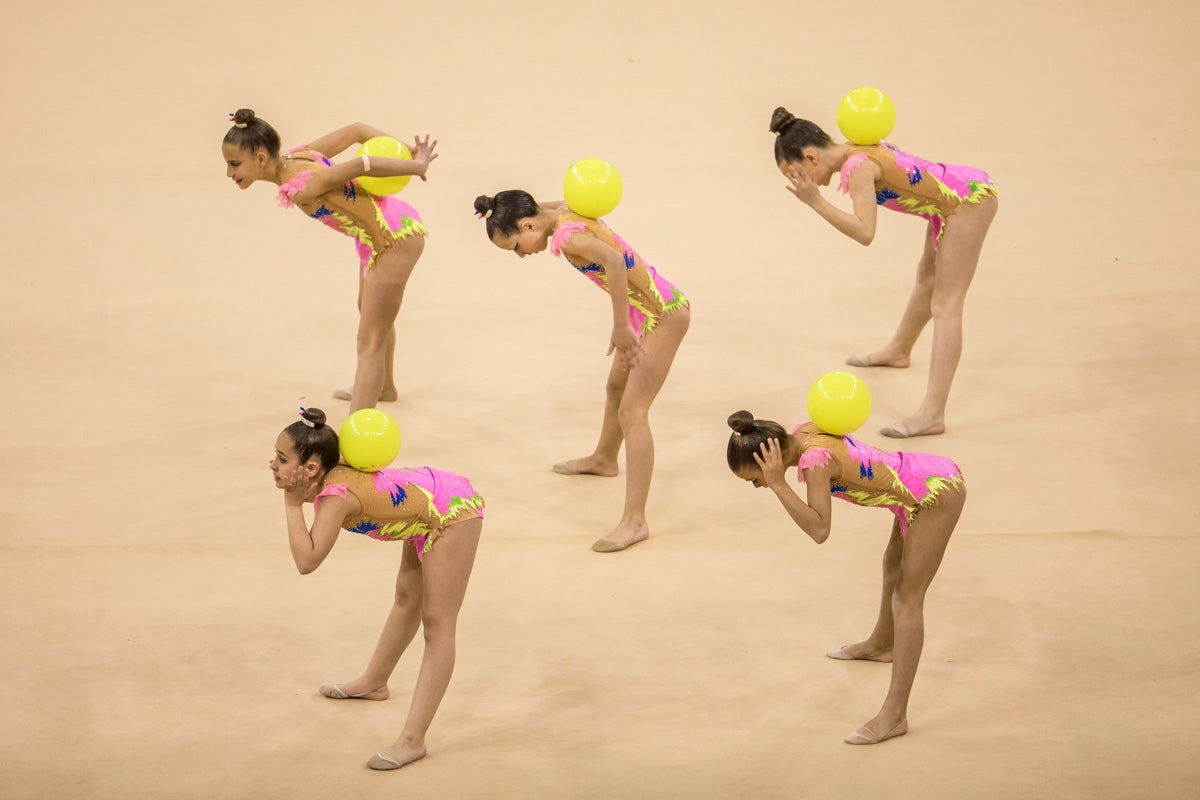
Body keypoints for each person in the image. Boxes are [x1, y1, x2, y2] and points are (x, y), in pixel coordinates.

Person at [725, 409, 966, 744]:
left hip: (935, 492)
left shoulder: (814, 462)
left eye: (755, 478)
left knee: (908, 598)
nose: (758, 485)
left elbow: (819, 529)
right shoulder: (803, 430)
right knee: (891, 565)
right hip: (916, 482)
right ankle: (883, 644)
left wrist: (778, 484)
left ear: (770, 457)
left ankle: (894, 715)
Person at [472, 191, 690, 552]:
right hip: (647, 310)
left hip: (664, 315)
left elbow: (615, 262)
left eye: (515, 247)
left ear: (527, 225)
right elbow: (540, 205)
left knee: (632, 412)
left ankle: (635, 521)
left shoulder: (567, 236)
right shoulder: (559, 212)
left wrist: (621, 326)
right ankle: (604, 459)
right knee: (615, 387)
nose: (522, 255)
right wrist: (499, 206)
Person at [271, 407, 483, 770]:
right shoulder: (328, 479)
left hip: (451, 511)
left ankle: (413, 741)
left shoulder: (335, 496)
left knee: (438, 625)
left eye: (281, 458)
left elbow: (307, 561)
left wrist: (292, 506)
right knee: (406, 599)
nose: (272, 464)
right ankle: (374, 683)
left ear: (310, 469)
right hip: (422, 509)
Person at [770, 106, 999, 438]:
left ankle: (932, 414)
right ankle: (898, 351)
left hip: (967, 201)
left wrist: (814, 201)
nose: (799, 181)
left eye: (795, 173)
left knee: (946, 306)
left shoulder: (857, 167)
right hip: (947, 203)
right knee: (927, 280)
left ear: (810, 158)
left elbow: (865, 233)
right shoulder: (855, 147)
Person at [222, 108, 438, 411]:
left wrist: (413, 165)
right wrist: (403, 152)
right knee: (370, 311)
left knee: (369, 340)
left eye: (234, 164)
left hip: (394, 236)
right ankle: (385, 388)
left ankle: (357, 432)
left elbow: (361, 164)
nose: (229, 173)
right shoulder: (299, 155)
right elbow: (358, 129)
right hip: (376, 235)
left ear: (260, 158)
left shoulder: (301, 186)